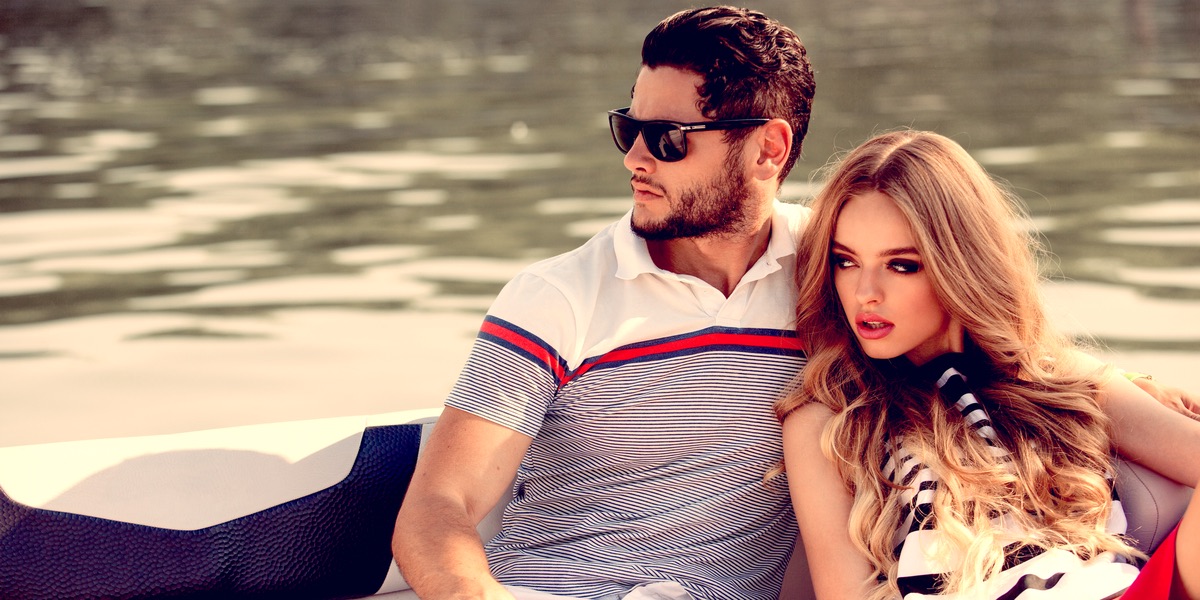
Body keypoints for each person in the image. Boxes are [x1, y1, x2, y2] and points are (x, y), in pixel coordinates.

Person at [393, 6, 816, 600]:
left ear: (768, 149)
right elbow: (438, 505)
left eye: (667, 139)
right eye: (628, 129)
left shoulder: (836, 274)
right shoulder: (559, 297)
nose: (634, 159)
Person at [776, 129, 1200, 599]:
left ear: (959, 265)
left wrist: (1123, 382)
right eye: (846, 261)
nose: (865, 293)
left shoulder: (1061, 379)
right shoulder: (829, 419)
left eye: (901, 265)